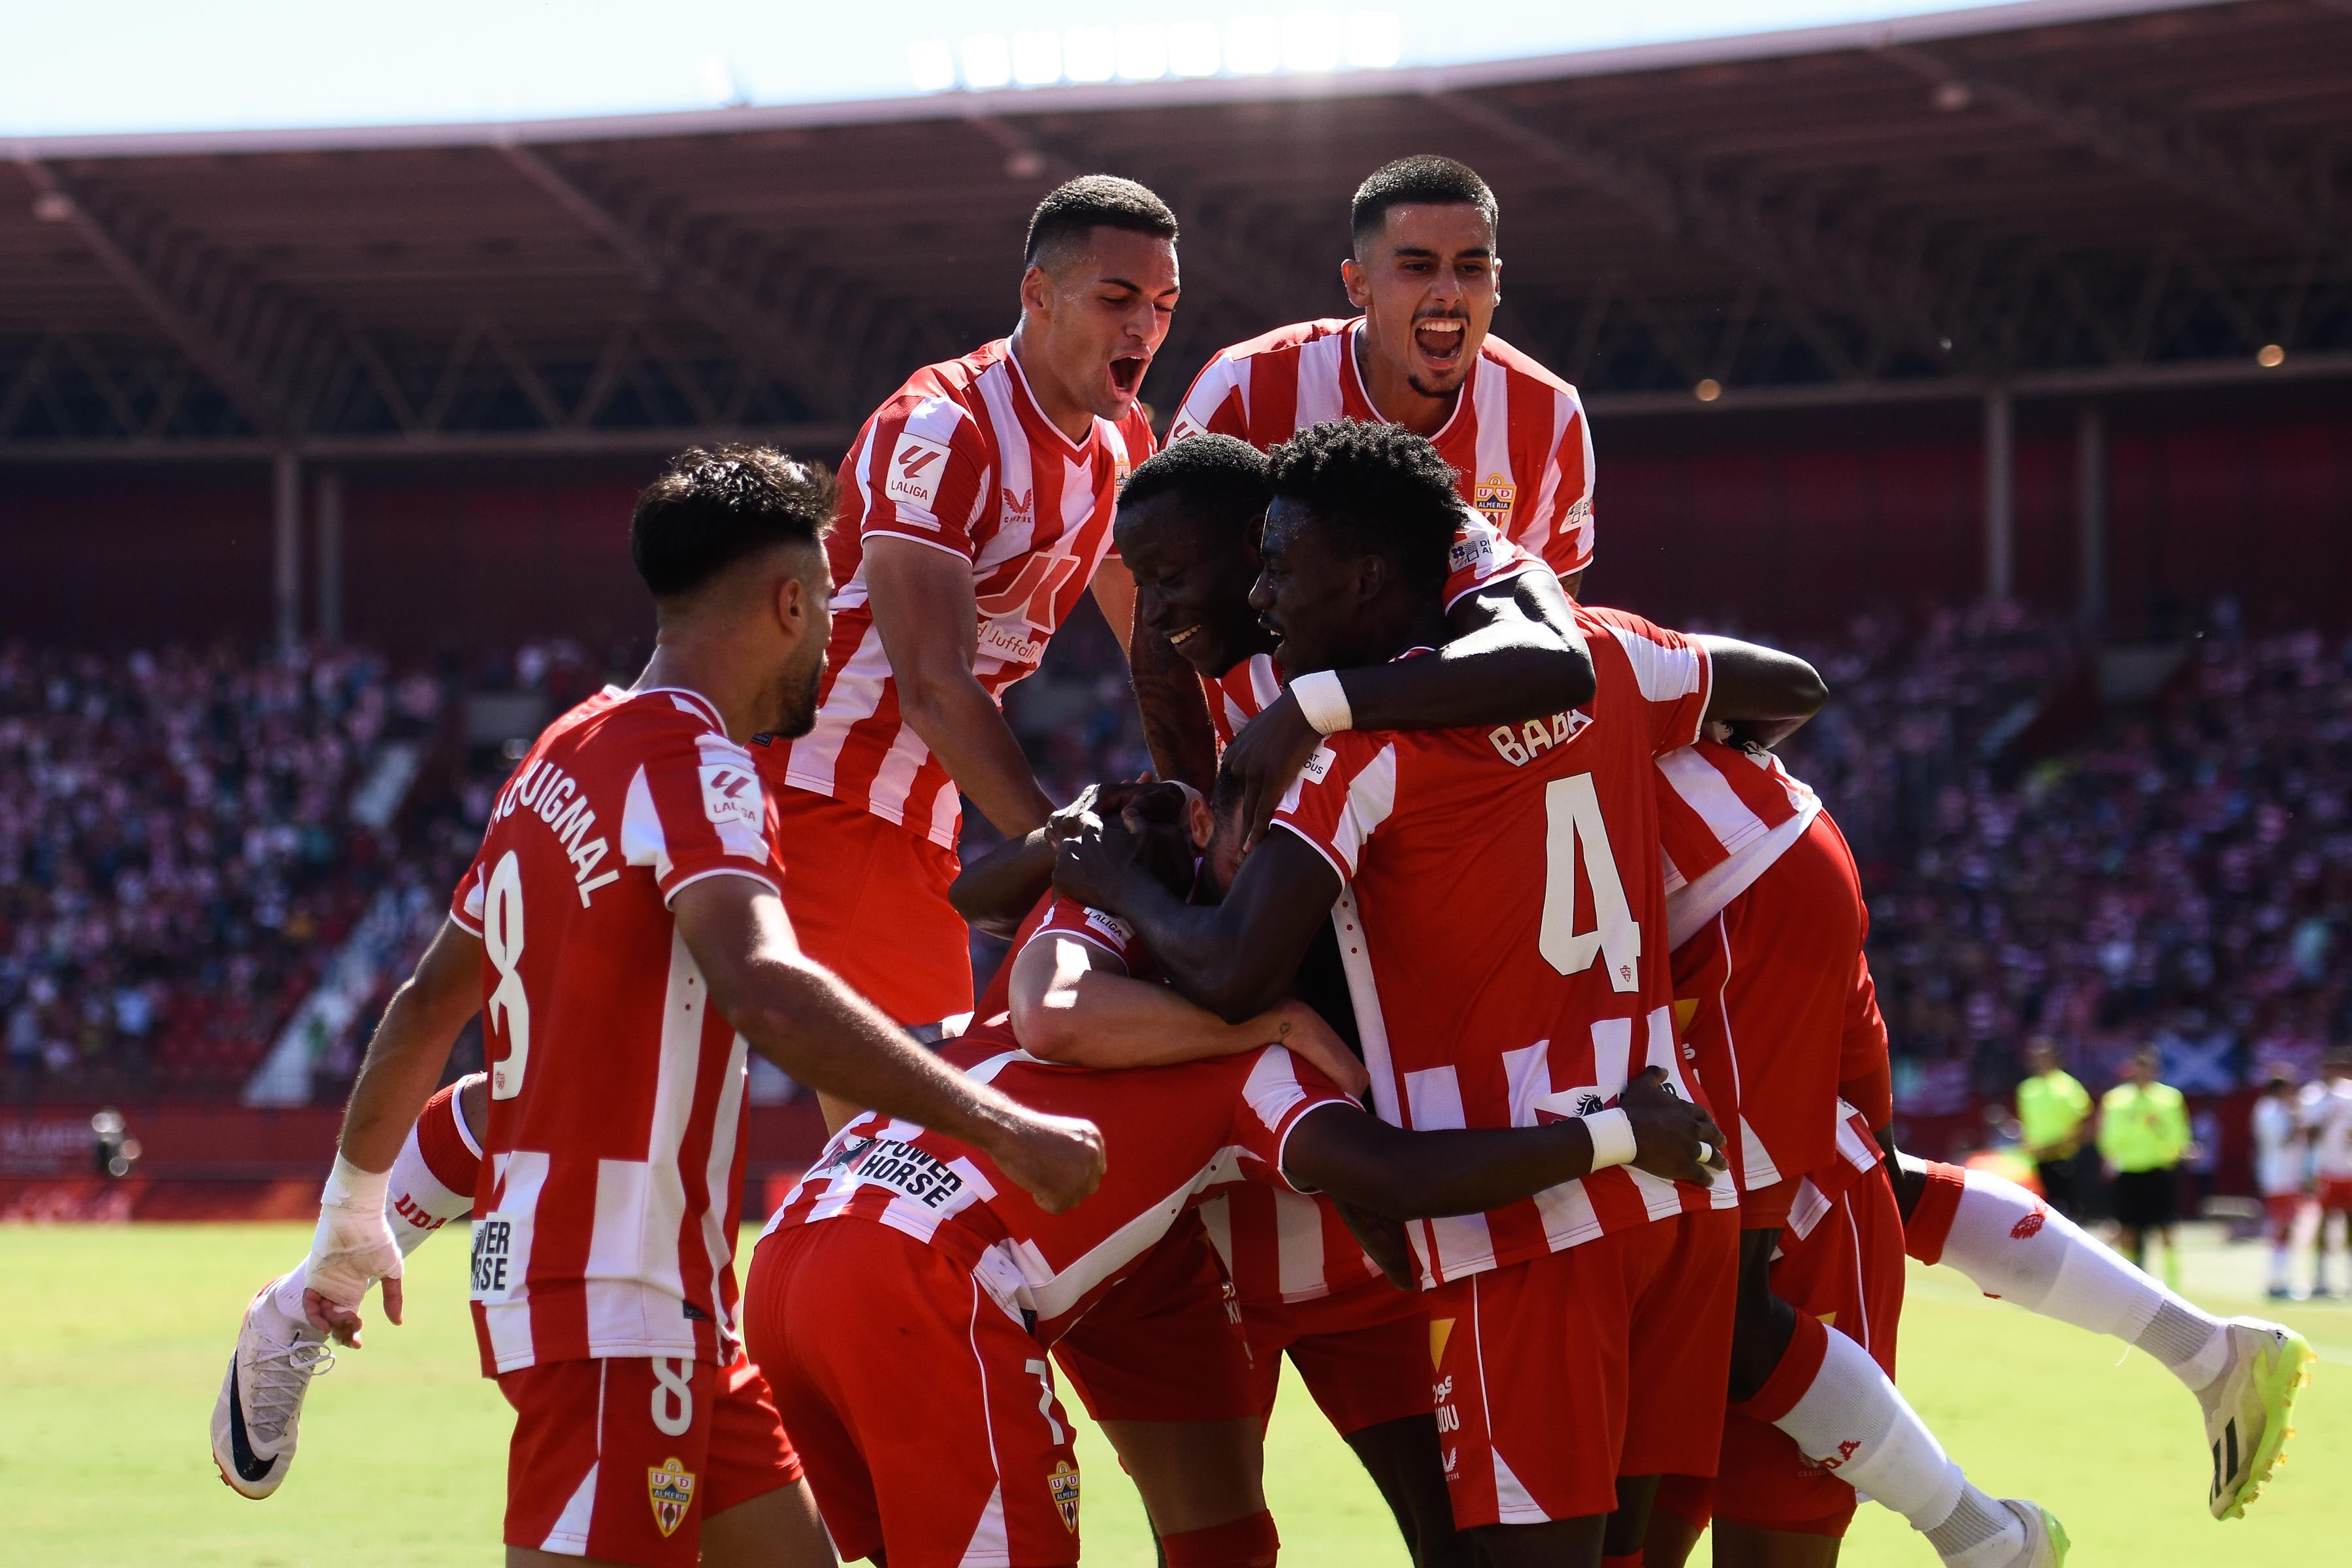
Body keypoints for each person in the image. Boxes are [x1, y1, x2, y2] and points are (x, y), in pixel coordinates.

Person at [216, 448, 1109, 1568]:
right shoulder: (706, 766)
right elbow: (769, 990)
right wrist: (1001, 1127)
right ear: (791, 602)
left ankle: (297, 1304)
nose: (836, 644)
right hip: (615, 1312)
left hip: (672, 1311)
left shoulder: (559, 753)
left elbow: (430, 997)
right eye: (830, 609)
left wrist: (350, 1221)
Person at [1054, 419, 1825, 1568]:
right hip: (1674, 1188)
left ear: (1365, 579)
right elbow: (1791, 688)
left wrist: (1121, 885)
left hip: (1532, 1208)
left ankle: (1982, 1532)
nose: (1263, 597)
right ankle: (1975, 1526)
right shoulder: (1610, 655)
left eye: (1281, 567)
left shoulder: (1353, 754)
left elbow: (1228, 975)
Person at [745, 979, 1722, 1568]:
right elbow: (1400, 1174)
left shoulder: (1055, 987)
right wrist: (1618, 1133)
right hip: (929, 1284)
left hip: (797, 1248)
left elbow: (1013, 912)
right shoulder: (1258, 1053)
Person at [755, 175, 1177, 1072]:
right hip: (807, 790)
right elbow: (936, 689)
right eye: (1118, 298)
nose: (1145, 327)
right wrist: (1069, 852)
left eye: (1164, 305)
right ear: (1037, 293)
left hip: (911, 815)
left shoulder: (1124, 445)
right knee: (909, 1134)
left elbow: (1159, 646)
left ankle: (390, 1184)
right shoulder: (945, 426)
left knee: (884, 1141)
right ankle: (385, 1186)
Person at [1137, 154, 1597, 791]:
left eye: (1471, 269)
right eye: (1416, 266)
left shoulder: (1551, 414)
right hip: (1274, 766)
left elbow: (1546, 627)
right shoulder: (1242, 389)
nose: (1448, 292)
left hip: (1452, 773)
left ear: (1496, 281)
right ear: (1357, 284)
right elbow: (1163, 619)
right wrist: (1194, 801)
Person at [2100, 1047, 2193, 1281]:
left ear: (2155, 1071)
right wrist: (2135, 1124)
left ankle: (2174, 1284)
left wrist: (2157, 1128)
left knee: (2166, 1230)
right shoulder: (2116, 1100)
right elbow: (2109, 1140)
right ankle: (2131, 1281)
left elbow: (2179, 1137)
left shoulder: (2169, 1098)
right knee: (2128, 1230)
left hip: (2159, 1171)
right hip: (2130, 1171)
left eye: (2148, 1069)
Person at [2017, 1039, 2095, 1219]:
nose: (2039, 1060)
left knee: (2071, 1204)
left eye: (2044, 1056)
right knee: (2048, 1206)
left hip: (2065, 1154)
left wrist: (2060, 1144)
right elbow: (2028, 1124)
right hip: (2039, 1156)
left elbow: (2082, 1122)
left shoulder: (2068, 1085)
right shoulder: (2026, 1089)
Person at [2249, 1066, 2306, 1300]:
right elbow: (2281, 1140)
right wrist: (2297, 1123)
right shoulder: (2269, 1110)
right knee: (2281, 1227)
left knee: (2287, 1228)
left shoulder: (2275, 1109)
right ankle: (2276, 1281)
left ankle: (2282, 1279)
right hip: (2277, 1177)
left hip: (2287, 1177)